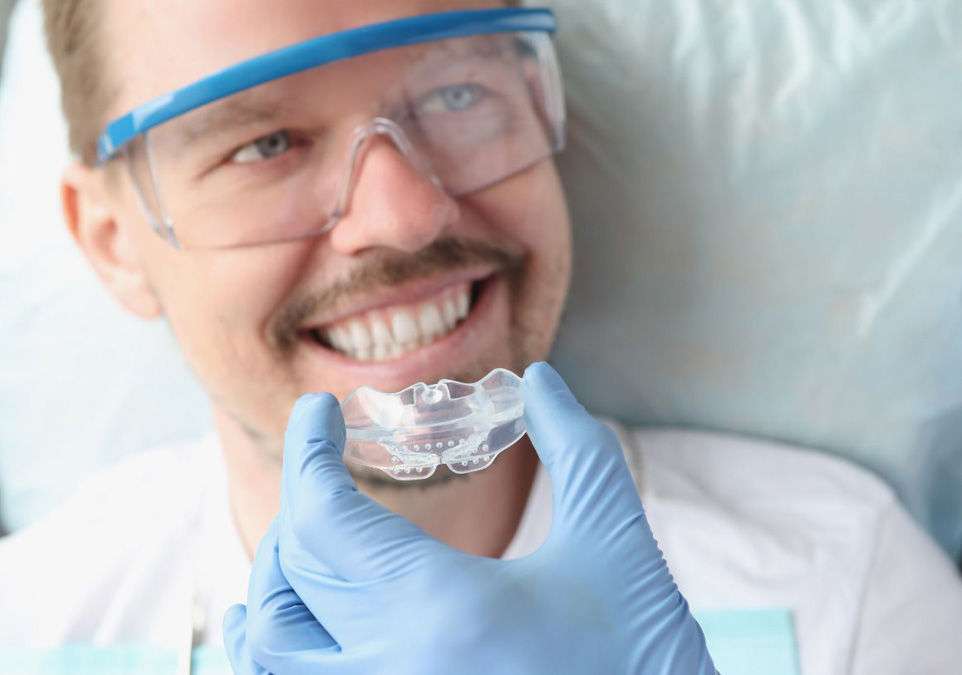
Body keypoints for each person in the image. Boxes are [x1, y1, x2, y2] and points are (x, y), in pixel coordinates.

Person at [0, 0, 960, 672]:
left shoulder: (847, 581)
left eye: (457, 95)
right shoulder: (32, 623)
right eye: (265, 144)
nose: (405, 213)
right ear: (114, 243)